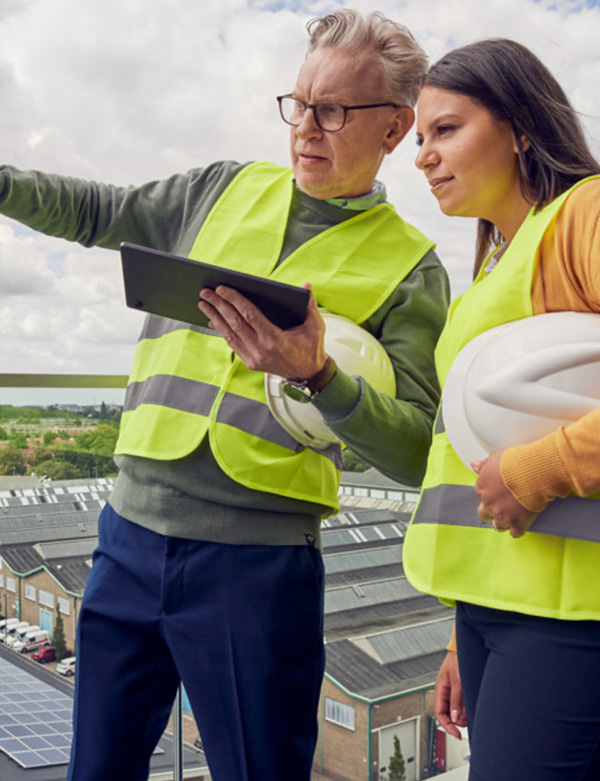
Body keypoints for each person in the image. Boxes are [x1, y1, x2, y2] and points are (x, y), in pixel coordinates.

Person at [0, 10, 449, 781]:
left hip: (258, 566)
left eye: (333, 110)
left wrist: (319, 375)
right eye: (298, 103)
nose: (305, 127)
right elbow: (98, 212)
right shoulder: (221, 188)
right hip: (126, 537)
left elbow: (414, 453)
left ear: (395, 127)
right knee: (94, 768)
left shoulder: (412, 270)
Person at [405, 38, 600, 781]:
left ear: (520, 126)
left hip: (572, 613)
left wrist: (541, 469)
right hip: (496, 609)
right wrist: (463, 632)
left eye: (446, 129)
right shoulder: (492, 266)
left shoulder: (584, 212)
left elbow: (517, 464)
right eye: (420, 138)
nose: (423, 155)